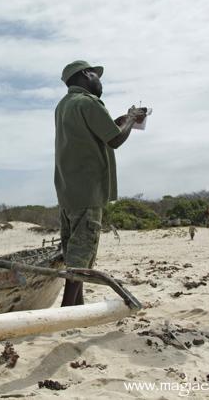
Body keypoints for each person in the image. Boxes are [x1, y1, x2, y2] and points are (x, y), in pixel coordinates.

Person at [54, 60, 146, 307]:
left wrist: (124, 119)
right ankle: (67, 310)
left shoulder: (64, 105)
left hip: (67, 191)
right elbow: (114, 139)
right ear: (86, 74)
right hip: (88, 190)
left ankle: (78, 305)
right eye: (97, 75)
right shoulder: (88, 102)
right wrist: (132, 119)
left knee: (73, 251)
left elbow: (98, 131)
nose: (99, 81)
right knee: (81, 256)